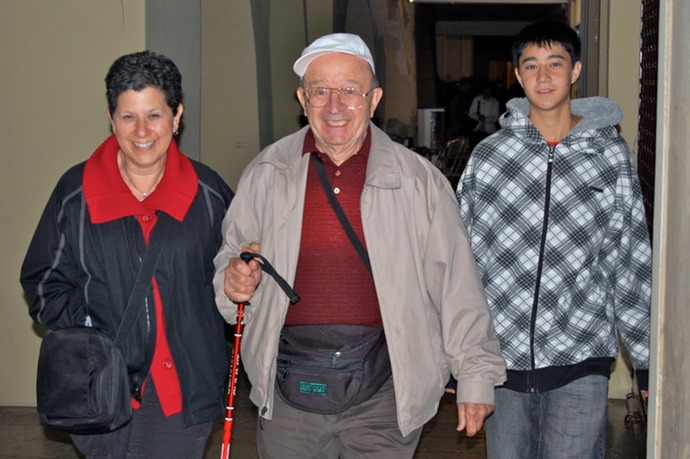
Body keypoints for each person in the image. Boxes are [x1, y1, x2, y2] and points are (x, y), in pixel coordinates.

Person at [213, 33, 506, 458]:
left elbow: (456, 286)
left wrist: (475, 376)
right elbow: (230, 265)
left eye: (350, 91)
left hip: (385, 394)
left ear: (374, 99)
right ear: (302, 98)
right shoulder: (268, 173)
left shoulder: (418, 182)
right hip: (288, 393)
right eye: (321, 91)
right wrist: (234, 282)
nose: (335, 106)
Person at [20, 51, 234, 458]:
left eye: (154, 115)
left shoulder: (208, 195)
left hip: (183, 392)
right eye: (128, 117)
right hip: (101, 388)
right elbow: (42, 281)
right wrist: (91, 331)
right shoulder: (76, 194)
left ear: (177, 116)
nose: (142, 131)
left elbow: (234, 278)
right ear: (111, 118)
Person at [456, 21, 652, 459]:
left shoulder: (608, 157)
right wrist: (460, 357)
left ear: (575, 70)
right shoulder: (490, 158)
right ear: (519, 75)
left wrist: (644, 359)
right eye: (532, 66)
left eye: (555, 64)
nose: (544, 77)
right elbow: (460, 261)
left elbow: (631, 258)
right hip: (501, 361)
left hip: (581, 353)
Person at [467, 81, 500, 147]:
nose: (487, 92)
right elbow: (471, 113)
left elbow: (496, 117)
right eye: (486, 90)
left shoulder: (495, 102)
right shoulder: (477, 99)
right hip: (477, 129)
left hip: (489, 131)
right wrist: (478, 117)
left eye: (489, 90)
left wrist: (485, 119)